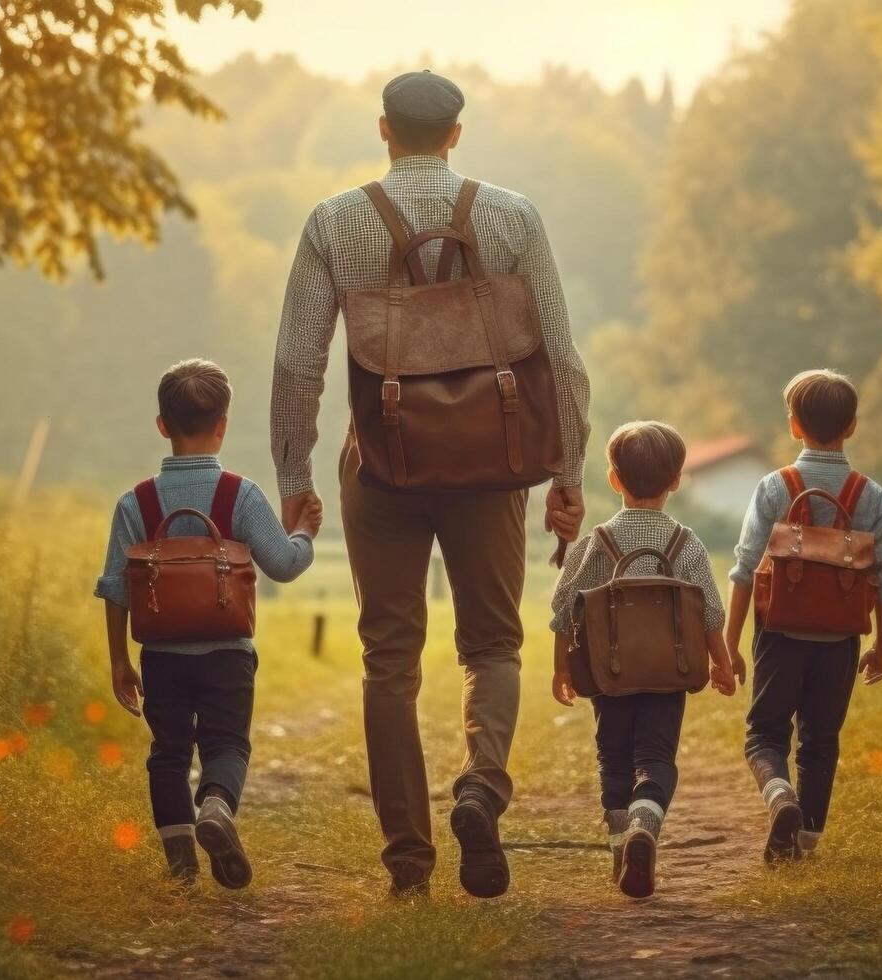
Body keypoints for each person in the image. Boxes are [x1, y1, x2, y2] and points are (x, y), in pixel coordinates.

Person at [268, 69, 591, 899]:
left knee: (389, 660)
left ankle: (408, 862)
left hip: (380, 466)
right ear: (455, 133)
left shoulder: (335, 222)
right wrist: (567, 473)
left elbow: (298, 363)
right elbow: (561, 358)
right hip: (492, 464)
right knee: (492, 644)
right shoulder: (512, 216)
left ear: (384, 131)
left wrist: (294, 474)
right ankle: (480, 788)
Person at [94, 359, 321, 888]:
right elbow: (284, 566)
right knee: (227, 746)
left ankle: (180, 869)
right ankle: (217, 807)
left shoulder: (136, 502)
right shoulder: (239, 495)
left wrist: (119, 661)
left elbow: (115, 586)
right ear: (223, 424)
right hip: (227, 655)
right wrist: (305, 532)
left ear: (162, 425)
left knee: (168, 754)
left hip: (162, 657)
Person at [549, 421, 734, 898]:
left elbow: (564, 607)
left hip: (609, 673)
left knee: (613, 757)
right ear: (676, 480)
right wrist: (722, 661)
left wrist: (562, 667)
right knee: (656, 757)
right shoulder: (685, 543)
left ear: (614, 479)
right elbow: (710, 609)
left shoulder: (597, 542)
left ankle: (620, 847)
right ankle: (645, 826)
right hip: (668, 673)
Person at [724, 369, 882, 862]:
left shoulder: (774, 487)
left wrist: (729, 644)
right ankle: (805, 841)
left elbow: (743, 569)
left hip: (779, 635)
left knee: (765, 734)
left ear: (793, 425)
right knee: (821, 740)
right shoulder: (870, 495)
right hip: (840, 641)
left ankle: (780, 796)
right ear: (852, 426)